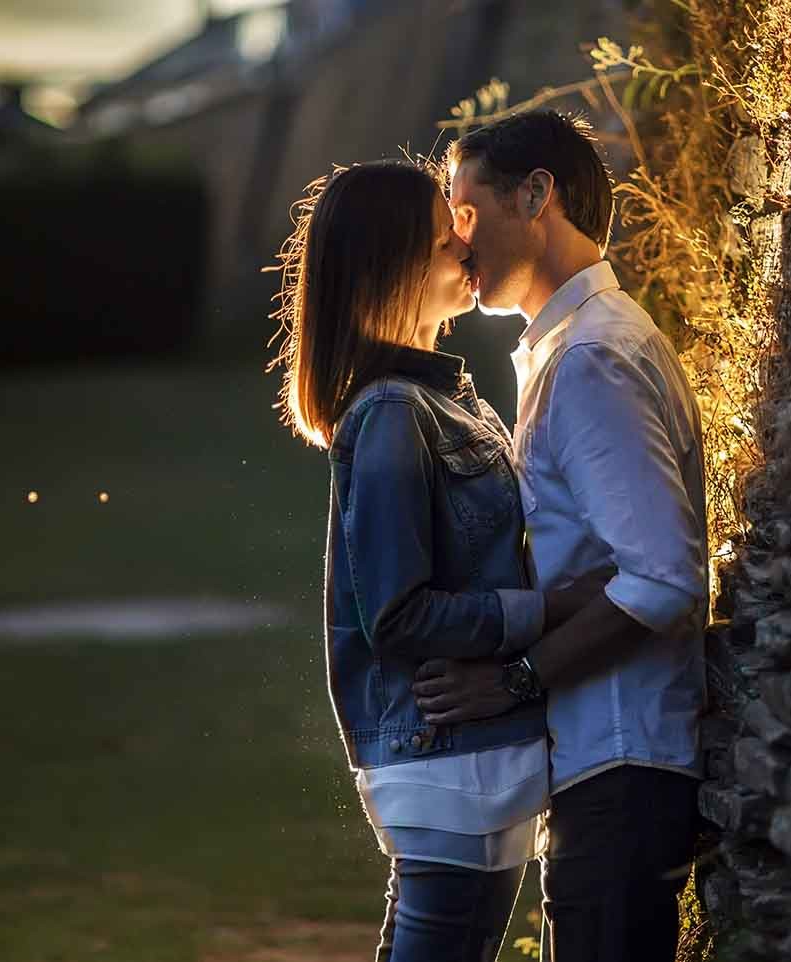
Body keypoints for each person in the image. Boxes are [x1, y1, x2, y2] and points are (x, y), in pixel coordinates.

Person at [270, 159, 605, 962]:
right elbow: (397, 615)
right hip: (445, 760)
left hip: (476, 757)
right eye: (439, 237)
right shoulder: (390, 414)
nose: (464, 246)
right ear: (392, 269)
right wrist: (553, 609)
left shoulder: (446, 397)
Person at [412, 110, 710, 961]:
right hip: (602, 767)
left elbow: (662, 580)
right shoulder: (568, 350)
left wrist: (512, 681)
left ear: (535, 195)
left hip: (621, 762)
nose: (457, 241)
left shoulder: (590, 359)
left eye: (465, 212)